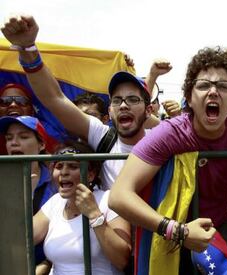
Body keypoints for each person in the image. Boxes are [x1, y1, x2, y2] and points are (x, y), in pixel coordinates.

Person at [109, 47, 227, 274]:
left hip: (219, 227)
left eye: (223, 86)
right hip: (170, 229)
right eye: (204, 85)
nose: (214, 92)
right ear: (189, 97)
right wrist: (179, 232)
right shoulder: (169, 133)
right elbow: (118, 196)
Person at [1, 14, 153, 189]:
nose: (124, 105)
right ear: (110, 111)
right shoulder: (102, 137)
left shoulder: (163, 139)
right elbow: (54, 98)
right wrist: (27, 49)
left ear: (148, 111)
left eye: (133, 99)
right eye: (117, 100)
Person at [33, 142, 131, 275]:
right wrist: (25, 197)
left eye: (73, 166)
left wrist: (94, 214)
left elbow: (122, 260)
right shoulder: (55, 202)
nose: (64, 172)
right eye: (59, 166)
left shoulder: (108, 200)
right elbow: (22, 238)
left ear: (90, 175)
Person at [0, 115, 56, 273]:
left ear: (42, 144)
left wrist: (45, 266)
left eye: (23, 137)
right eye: (9, 138)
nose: (14, 143)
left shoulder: (58, 184)